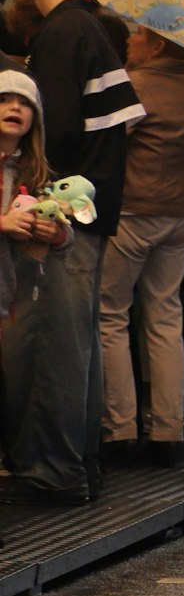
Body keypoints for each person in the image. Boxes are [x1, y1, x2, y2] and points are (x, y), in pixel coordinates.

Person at [2, 0, 145, 505]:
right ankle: (79, 463)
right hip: (93, 214)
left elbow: (52, 136)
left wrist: (29, 202)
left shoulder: (62, 35)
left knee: (57, 343)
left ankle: (53, 469)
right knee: (77, 342)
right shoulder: (89, 30)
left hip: (62, 220)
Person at [98, 26, 184, 468]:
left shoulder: (138, 83)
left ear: (159, 43)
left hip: (132, 212)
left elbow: (111, 142)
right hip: (180, 214)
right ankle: (167, 430)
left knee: (110, 315)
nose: (128, 39)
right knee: (165, 316)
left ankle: (119, 427)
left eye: (137, 34)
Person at [0, 69, 84, 503]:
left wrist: (58, 237)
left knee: (18, 381)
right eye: (5, 100)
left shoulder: (39, 172)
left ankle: (20, 463)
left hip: (17, 297)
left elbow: (65, 234)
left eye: (25, 104)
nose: (15, 108)